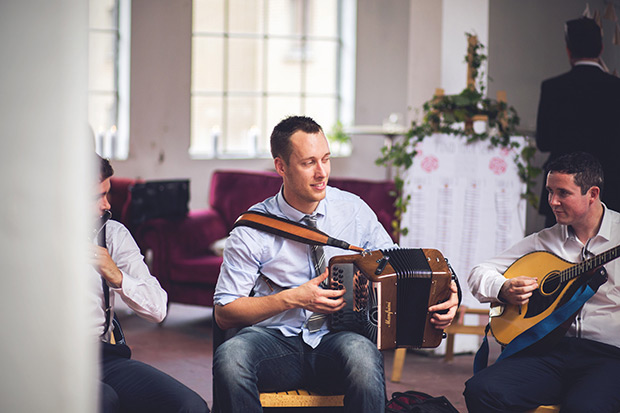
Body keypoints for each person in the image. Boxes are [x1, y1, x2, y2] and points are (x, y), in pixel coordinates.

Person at [212, 115, 459, 412]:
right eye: (308, 163)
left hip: (338, 339)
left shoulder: (352, 209)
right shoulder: (252, 229)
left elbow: (396, 266)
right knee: (230, 356)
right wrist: (294, 298)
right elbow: (225, 313)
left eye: (326, 159)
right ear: (281, 167)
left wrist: (447, 293)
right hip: (275, 342)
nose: (322, 173)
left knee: (364, 356)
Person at [464, 152, 620, 412]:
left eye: (563, 193)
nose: (552, 202)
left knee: (585, 406)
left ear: (592, 194)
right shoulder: (544, 241)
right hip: (549, 351)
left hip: (609, 356)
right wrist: (503, 289)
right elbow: (479, 272)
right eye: (549, 191)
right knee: (482, 390)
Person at [92, 155, 210, 413]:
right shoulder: (30, 242)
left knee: (191, 407)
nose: (106, 204)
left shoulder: (112, 235)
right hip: (48, 362)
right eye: (95, 198)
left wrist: (116, 275)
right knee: (104, 399)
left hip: (103, 357)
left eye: (107, 193)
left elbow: (158, 310)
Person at [536, 16, 620, 227]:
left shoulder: (553, 88)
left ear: (568, 50)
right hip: (610, 188)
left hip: (562, 192)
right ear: (601, 48)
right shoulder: (616, 88)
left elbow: (543, 141)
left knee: (557, 255)